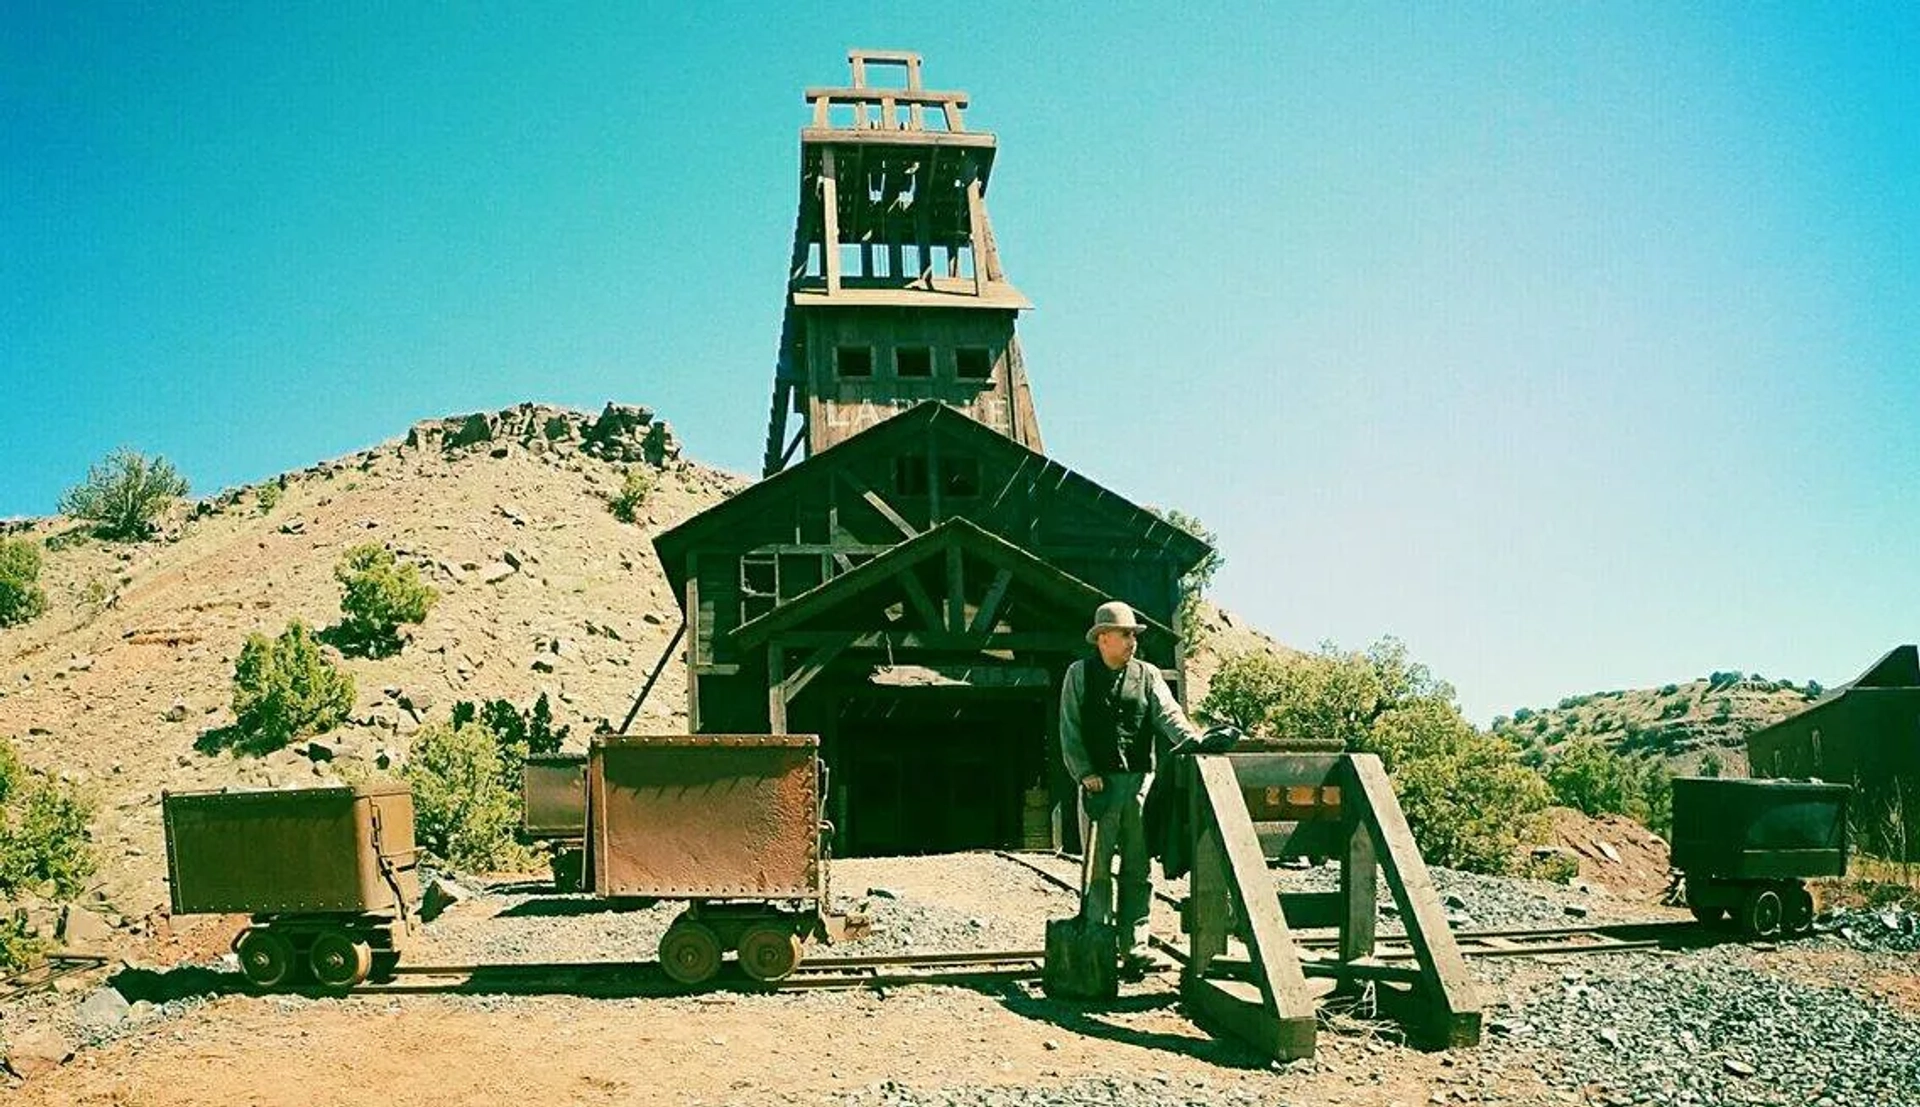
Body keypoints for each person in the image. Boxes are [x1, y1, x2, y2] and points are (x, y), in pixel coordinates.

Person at [1058, 599, 1204, 973]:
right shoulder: (1078, 674)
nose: (1132, 641)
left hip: (1140, 783)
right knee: (1097, 867)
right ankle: (1097, 936)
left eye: (1134, 635)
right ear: (1102, 638)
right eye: (1125, 635)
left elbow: (1169, 715)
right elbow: (1069, 728)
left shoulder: (1148, 675)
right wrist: (1084, 771)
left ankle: (1135, 945)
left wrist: (1193, 740)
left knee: (1139, 867)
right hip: (1097, 785)